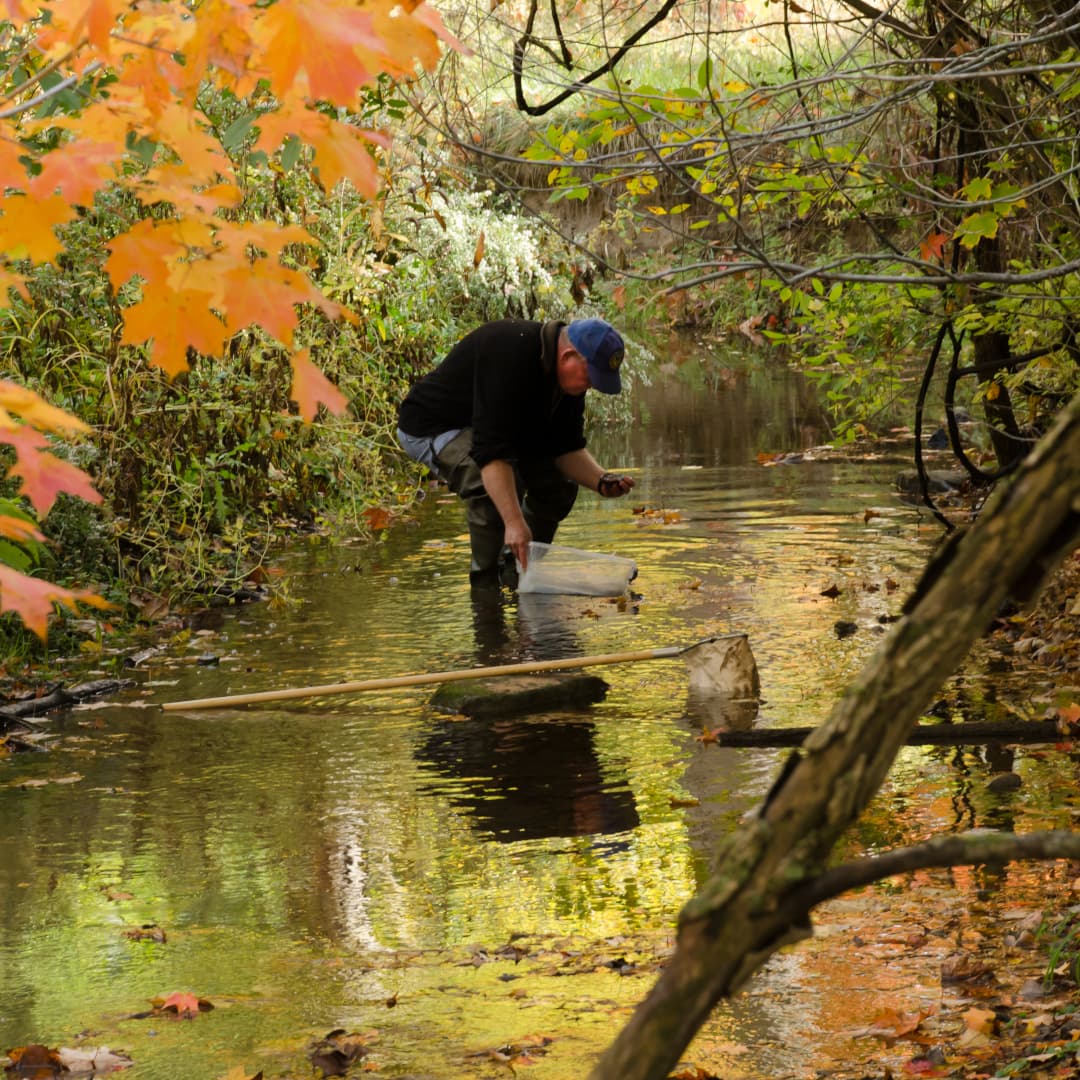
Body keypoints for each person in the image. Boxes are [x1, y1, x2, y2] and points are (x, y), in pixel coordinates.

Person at [396, 317, 636, 587]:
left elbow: (565, 448)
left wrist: (601, 480)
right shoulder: (508, 351)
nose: (591, 386)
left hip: (492, 431)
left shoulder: (570, 382)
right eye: (591, 377)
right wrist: (514, 521)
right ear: (568, 356)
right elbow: (490, 451)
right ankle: (486, 588)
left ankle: (518, 570)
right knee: (490, 490)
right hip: (433, 427)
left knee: (559, 485)